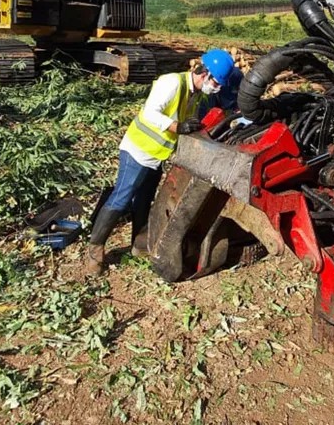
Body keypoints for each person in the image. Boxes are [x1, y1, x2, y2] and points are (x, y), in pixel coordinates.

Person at [87, 48, 235, 276]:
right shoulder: (172, 83)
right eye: (216, 82)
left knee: (144, 201)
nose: (217, 88)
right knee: (121, 198)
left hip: (157, 156)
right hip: (138, 151)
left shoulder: (195, 94)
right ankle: (94, 253)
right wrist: (177, 127)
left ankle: (139, 245)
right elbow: (149, 114)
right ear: (204, 73)